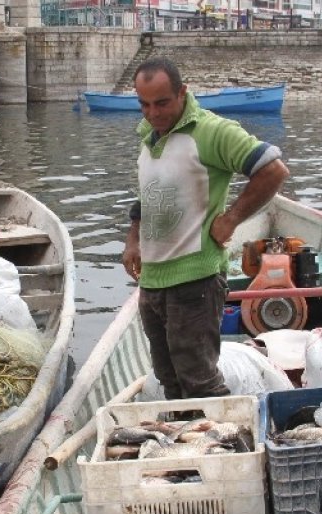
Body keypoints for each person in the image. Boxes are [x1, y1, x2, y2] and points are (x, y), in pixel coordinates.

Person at [121, 58, 290, 402]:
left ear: (182, 93)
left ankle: (225, 446)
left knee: (200, 381)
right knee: (169, 380)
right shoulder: (149, 136)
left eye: (162, 103)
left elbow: (273, 170)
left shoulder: (211, 131)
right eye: (144, 104)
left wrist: (231, 218)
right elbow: (147, 194)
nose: (153, 113)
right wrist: (133, 240)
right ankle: (187, 445)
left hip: (194, 281)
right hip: (152, 281)